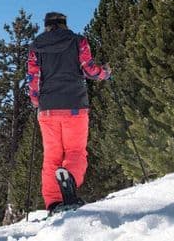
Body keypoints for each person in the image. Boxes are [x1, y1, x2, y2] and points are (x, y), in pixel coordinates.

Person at [26, 12, 111, 214]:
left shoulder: (35, 47)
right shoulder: (78, 41)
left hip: (48, 109)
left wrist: (36, 101)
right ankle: (69, 181)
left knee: (51, 157)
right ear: (64, 24)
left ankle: (54, 203)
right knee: (75, 151)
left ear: (47, 26)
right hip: (75, 105)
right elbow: (89, 70)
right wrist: (105, 73)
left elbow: (33, 78)